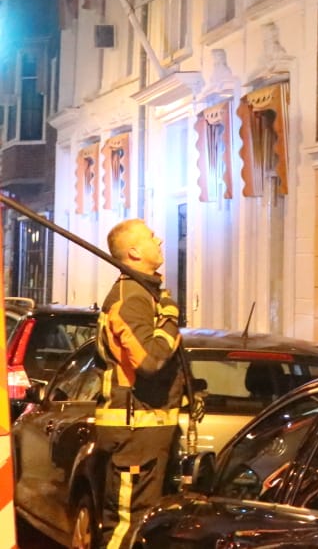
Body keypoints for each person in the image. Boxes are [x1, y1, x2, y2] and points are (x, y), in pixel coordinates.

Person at [94, 218, 185, 549]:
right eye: (151, 237)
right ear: (133, 252)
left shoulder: (143, 293)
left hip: (145, 430)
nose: (159, 241)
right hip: (135, 432)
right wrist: (170, 316)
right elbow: (150, 361)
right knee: (127, 525)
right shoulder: (131, 297)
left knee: (144, 525)